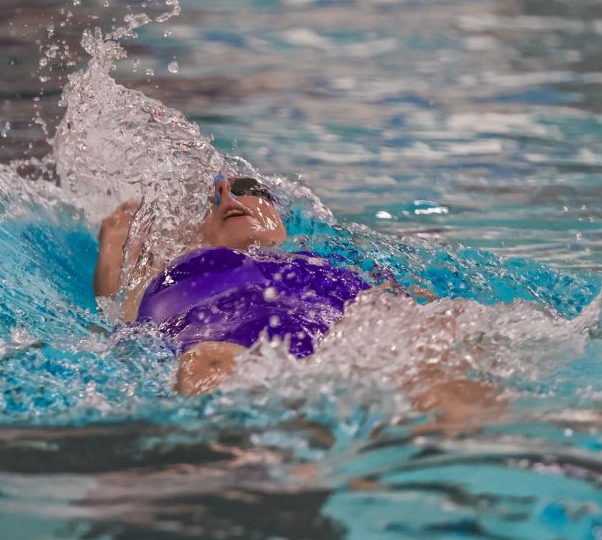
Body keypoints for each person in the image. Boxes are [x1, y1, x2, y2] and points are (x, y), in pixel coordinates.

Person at [94, 175, 498, 422]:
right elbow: (120, 312)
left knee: (432, 374)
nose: (226, 194)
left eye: (247, 189)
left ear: (280, 218)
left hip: (345, 343)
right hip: (223, 352)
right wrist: (113, 245)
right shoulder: (182, 265)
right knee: (209, 362)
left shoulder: (340, 260)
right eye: (213, 200)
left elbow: (416, 306)